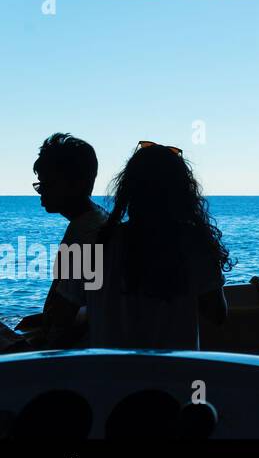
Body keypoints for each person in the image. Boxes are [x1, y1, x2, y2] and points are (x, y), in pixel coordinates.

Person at [52, 141, 230, 349]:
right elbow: (217, 314)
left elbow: (61, 317)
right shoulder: (193, 245)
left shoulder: (94, 244)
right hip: (178, 377)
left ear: (127, 190)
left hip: (110, 378)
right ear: (183, 194)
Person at [12, 134, 109, 349]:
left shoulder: (85, 233)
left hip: (67, 360)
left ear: (76, 183)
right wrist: (45, 319)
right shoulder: (95, 221)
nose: (41, 192)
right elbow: (90, 304)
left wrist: (28, 349)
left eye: (47, 184)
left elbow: (66, 319)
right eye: (40, 185)